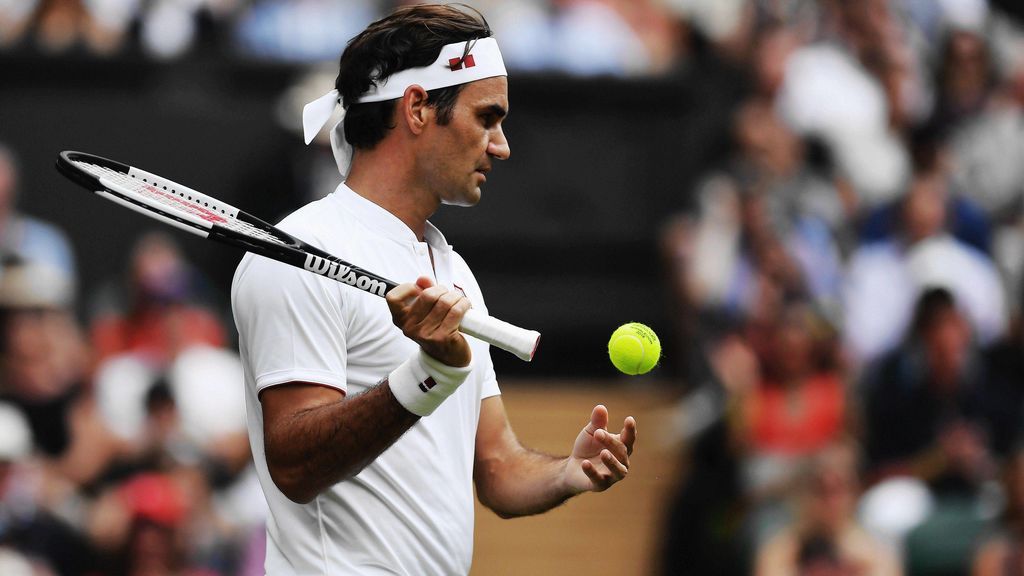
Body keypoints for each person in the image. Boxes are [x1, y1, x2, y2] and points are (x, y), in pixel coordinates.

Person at [230, 5, 637, 575]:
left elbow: (497, 469)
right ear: (418, 108)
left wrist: (567, 473)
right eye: (486, 117)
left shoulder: (453, 269)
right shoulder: (300, 251)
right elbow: (295, 467)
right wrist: (429, 376)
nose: (501, 146)